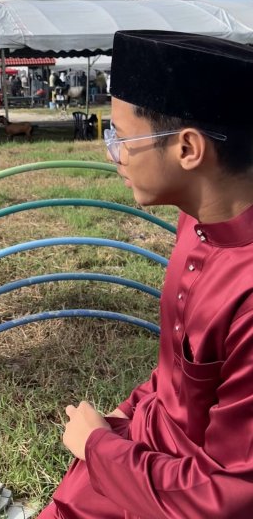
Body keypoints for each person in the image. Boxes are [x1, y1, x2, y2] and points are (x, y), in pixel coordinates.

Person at [39, 29, 253, 518]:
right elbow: (179, 374)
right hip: (150, 456)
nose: (113, 154)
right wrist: (128, 413)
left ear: (188, 149)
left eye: (123, 138)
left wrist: (99, 447)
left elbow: (228, 497)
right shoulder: (196, 222)